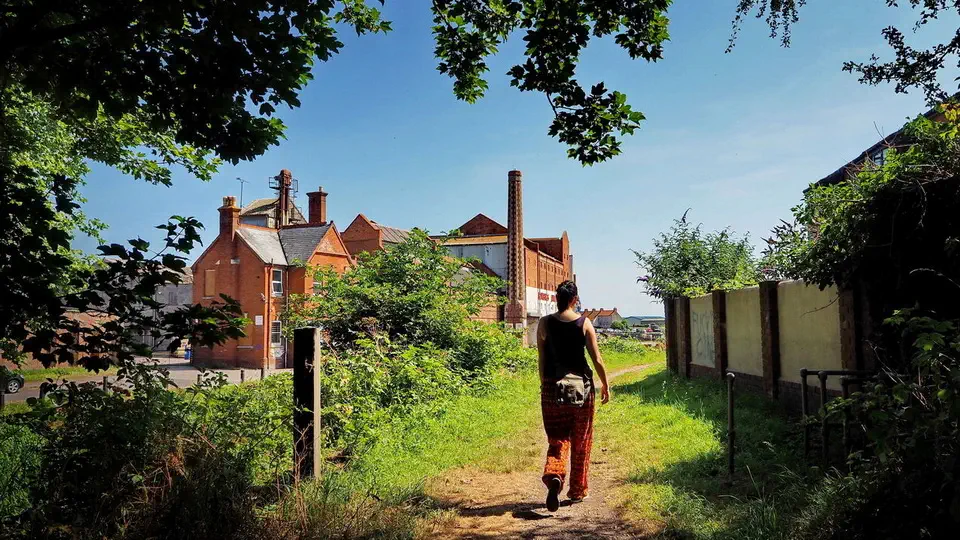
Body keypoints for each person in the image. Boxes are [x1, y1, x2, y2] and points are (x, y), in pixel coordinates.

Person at [537, 280, 610, 512]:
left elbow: (541, 359)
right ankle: (577, 490)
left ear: (557, 298)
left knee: (557, 439)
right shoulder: (584, 323)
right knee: (581, 440)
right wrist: (605, 385)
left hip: (551, 389)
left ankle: (554, 477)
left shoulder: (544, 323)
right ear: (574, 299)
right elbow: (597, 359)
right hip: (582, 389)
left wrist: (544, 384)